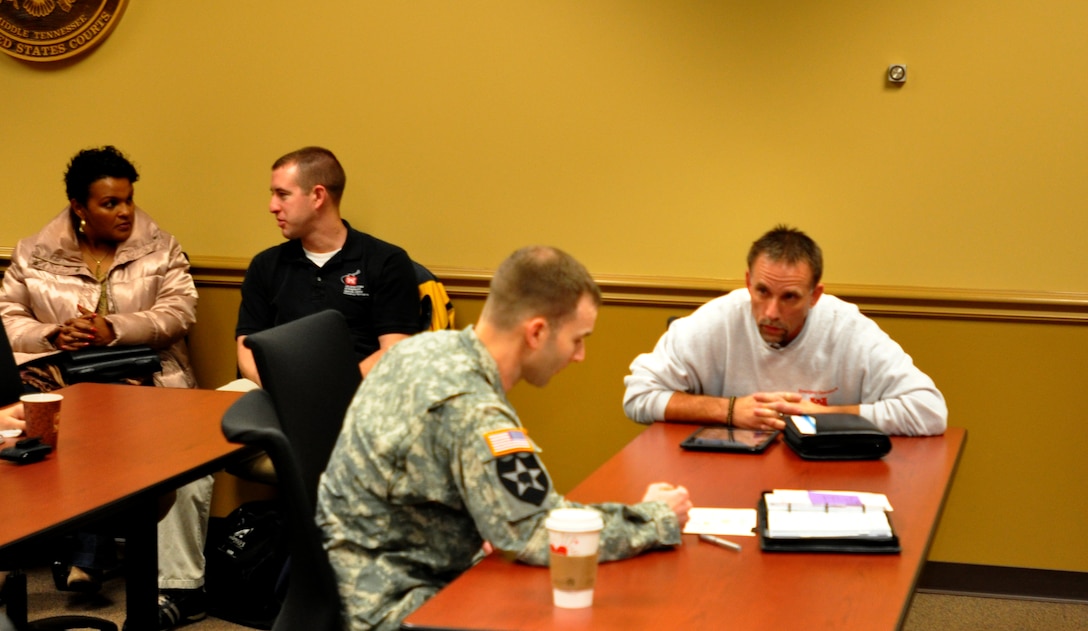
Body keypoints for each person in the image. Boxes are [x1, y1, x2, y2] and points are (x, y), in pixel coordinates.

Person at [317, 246, 693, 631]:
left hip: (360, 575)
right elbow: (537, 534)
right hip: (400, 604)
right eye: (577, 339)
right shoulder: (474, 408)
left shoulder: (419, 349)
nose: (579, 356)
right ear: (537, 332)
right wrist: (656, 517)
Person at [0, 146, 206, 630]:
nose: (125, 212)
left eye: (128, 200)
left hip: (148, 378)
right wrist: (54, 334)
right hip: (64, 377)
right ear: (79, 207)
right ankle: (77, 552)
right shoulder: (34, 253)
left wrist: (112, 328)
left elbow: (180, 312)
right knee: (66, 422)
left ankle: (90, 555)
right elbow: (8, 320)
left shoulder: (161, 248)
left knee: (109, 417)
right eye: (110, 203)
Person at [623, 225, 947, 436]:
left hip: (825, 477)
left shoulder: (848, 328)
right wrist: (732, 410)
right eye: (762, 291)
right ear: (749, 282)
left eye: (789, 297)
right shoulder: (717, 319)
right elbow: (637, 396)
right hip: (723, 475)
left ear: (815, 296)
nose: (771, 313)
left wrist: (826, 415)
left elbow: (929, 410)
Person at [235, 146, 420, 385]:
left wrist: (336, 391)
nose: (272, 206)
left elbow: (394, 350)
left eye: (283, 194)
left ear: (318, 196)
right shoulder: (265, 265)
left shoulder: (386, 262)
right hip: (277, 389)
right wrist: (277, 387)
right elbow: (246, 346)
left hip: (361, 392)